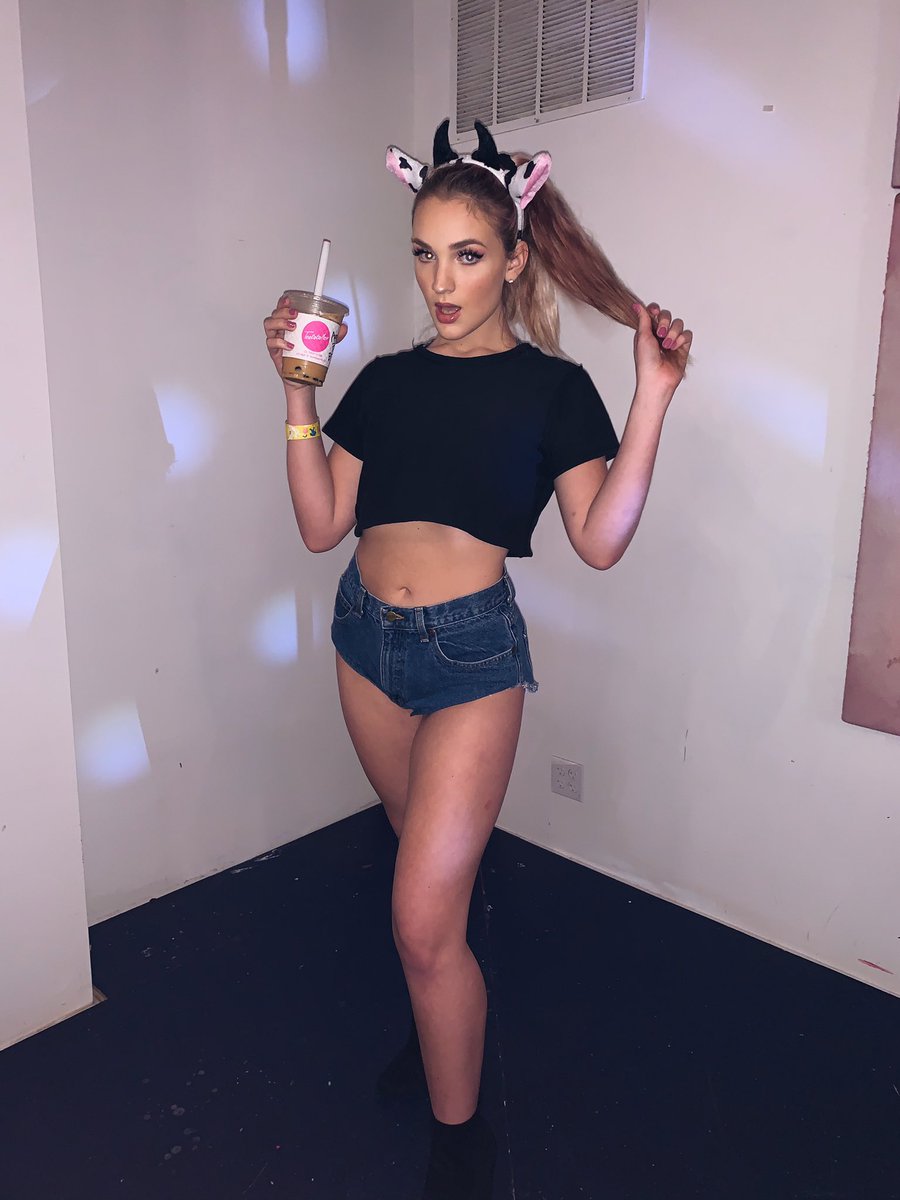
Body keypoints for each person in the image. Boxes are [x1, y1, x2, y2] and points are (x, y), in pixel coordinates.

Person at [263, 118, 692, 1200]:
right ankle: (436, 1023)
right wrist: (298, 390)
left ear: (512, 258)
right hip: (365, 642)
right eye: (423, 253)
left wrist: (651, 396)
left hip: (471, 662)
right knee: (427, 890)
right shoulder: (383, 381)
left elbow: (600, 540)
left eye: (464, 255)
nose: (439, 281)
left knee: (420, 924)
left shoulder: (554, 390)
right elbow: (321, 526)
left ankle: (461, 1142)